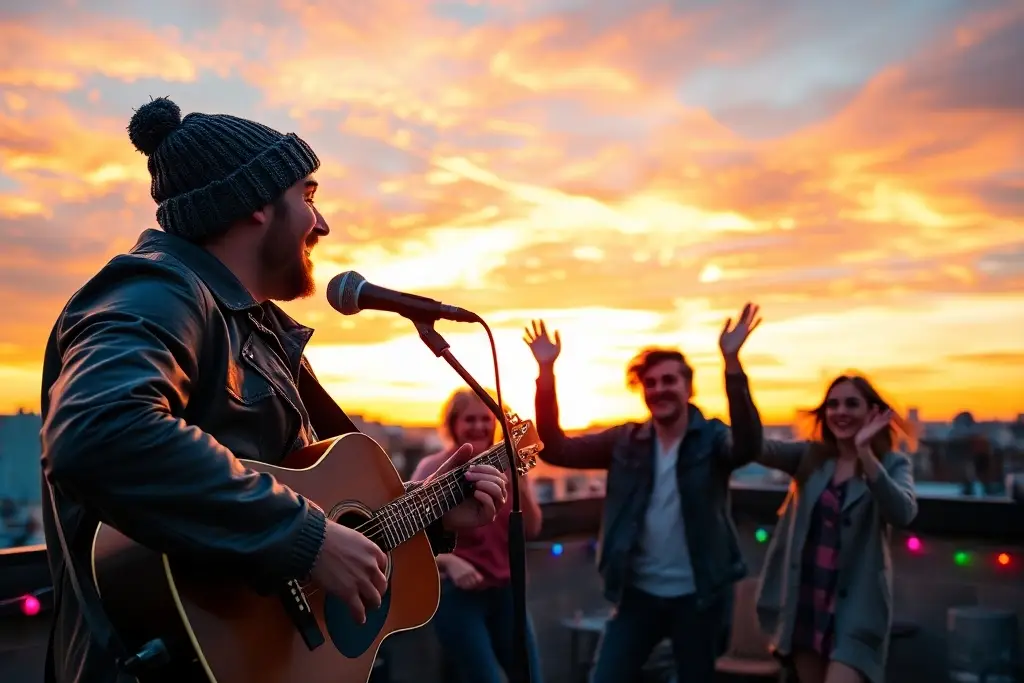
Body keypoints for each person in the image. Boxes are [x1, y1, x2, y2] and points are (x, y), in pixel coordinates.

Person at [38, 97, 508, 683]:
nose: (323, 223)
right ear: (256, 204)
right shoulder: (160, 289)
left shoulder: (254, 327)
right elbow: (99, 431)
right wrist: (302, 537)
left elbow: (291, 486)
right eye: (308, 196)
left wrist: (429, 511)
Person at [523, 305, 765, 683]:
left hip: (699, 597)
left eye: (669, 380)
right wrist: (546, 373)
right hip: (638, 596)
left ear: (688, 387)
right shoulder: (626, 441)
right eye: (650, 384)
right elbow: (556, 449)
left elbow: (748, 446)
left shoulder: (712, 438)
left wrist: (732, 364)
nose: (659, 390)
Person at [754, 375, 918, 683]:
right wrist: (734, 369)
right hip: (807, 605)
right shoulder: (811, 458)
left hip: (854, 613)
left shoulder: (893, 463)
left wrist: (866, 453)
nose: (840, 411)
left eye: (851, 404)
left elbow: (903, 513)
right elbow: (754, 446)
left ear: (873, 412)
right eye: (833, 404)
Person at [411, 388, 545, 683]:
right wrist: (450, 562)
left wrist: (520, 484)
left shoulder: (510, 465)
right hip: (458, 596)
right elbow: (411, 543)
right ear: (454, 424)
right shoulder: (432, 468)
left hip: (507, 591)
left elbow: (532, 529)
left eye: (486, 419)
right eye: (470, 419)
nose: (480, 426)